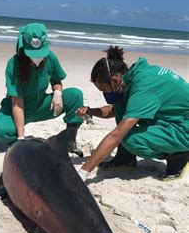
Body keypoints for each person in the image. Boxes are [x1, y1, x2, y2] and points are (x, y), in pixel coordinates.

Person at [75, 46, 189, 181]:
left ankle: (178, 154)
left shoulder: (144, 85)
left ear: (114, 80)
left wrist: (83, 172)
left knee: (130, 139)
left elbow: (117, 135)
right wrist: (91, 111)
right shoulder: (131, 78)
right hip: (170, 118)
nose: (105, 94)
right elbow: (114, 110)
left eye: (104, 90)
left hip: (183, 127)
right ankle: (125, 159)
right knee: (122, 108)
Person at [0, 22, 84, 156]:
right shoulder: (13, 64)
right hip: (18, 107)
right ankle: (16, 139)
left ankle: (70, 142)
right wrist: (21, 138)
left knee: (75, 94)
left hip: (41, 105)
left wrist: (57, 92)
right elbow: (17, 102)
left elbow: (57, 81)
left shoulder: (51, 57)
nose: (37, 58)